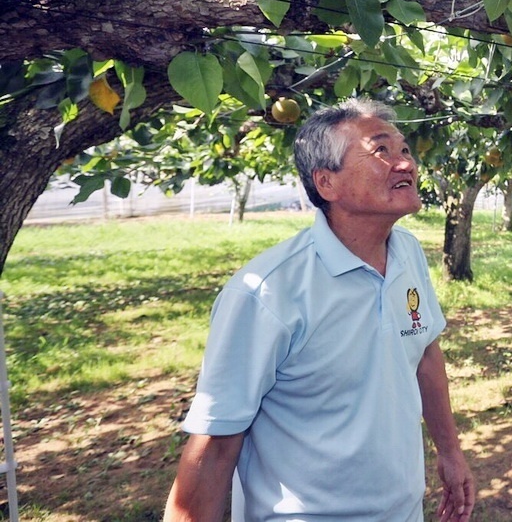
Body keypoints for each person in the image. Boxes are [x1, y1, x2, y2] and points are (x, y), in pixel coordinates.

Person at [165, 98, 475, 522]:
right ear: (326, 183)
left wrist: (451, 451)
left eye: (404, 150)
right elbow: (215, 445)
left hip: (401, 511)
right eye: (381, 150)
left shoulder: (407, 253)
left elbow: (424, 353)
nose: (405, 163)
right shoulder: (268, 293)